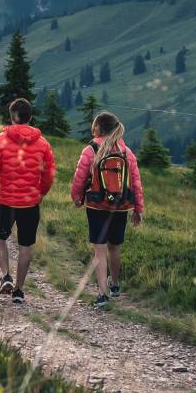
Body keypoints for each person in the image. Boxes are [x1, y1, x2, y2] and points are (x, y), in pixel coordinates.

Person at [0, 96, 55, 305]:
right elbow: (49, 174)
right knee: (25, 246)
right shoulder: (43, 144)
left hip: (5, 201)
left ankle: (6, 276)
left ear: (12, 117)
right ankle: (19, 291)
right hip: (30, 204)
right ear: (30, 117)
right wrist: (41, 193)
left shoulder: (0, 140)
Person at [69, 109, 143, 307]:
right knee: (115, 247)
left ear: (99, 128)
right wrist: (138, 209)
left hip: (96, 204)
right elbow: (136, 183)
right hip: (120, 206)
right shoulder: (126, 152)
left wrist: (77, 197)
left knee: (99, 250)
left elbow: (79, 178)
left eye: (95, 126)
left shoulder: (91, 150)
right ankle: (115, 285)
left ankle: (102, 294)